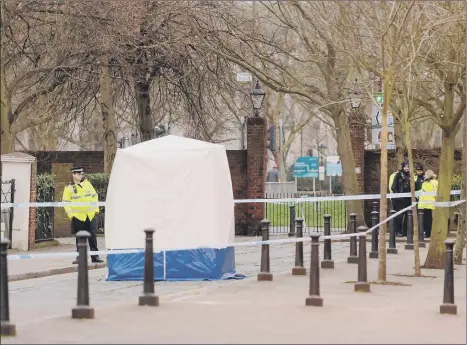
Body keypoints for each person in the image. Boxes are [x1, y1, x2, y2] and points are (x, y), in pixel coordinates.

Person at [62, 166, 103, 264]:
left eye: (82, 173)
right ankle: (79, 257)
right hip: (78, 217)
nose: (81, 175)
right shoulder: (69, 188)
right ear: (73, 174)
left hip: (90, 215)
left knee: (93, 236)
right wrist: (71, 215)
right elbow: (65, 202)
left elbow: (94, 196)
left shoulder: (87, 184)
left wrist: (96, 210)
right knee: (80, 238)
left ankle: (95, 257)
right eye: (78, 173)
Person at [391, 162, 412, 237]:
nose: (406, 168)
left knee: (408, 216)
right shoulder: (398, 175)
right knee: (399, 216)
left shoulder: (410, 176)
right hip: (399, 200)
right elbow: (393, 187)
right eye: (405, 167)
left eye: (408, 167)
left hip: (408, 200)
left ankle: (405, 232)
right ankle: (398, 231)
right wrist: (398, 195)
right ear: (402, 167)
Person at [418, 170, 438, 238]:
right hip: (431, 204)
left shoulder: (424, 183)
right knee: (430, 220)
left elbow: (421, 192)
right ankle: (429, 233)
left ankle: (426, 233)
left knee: (425, 221)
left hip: (423, 204)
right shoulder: (436, 182)